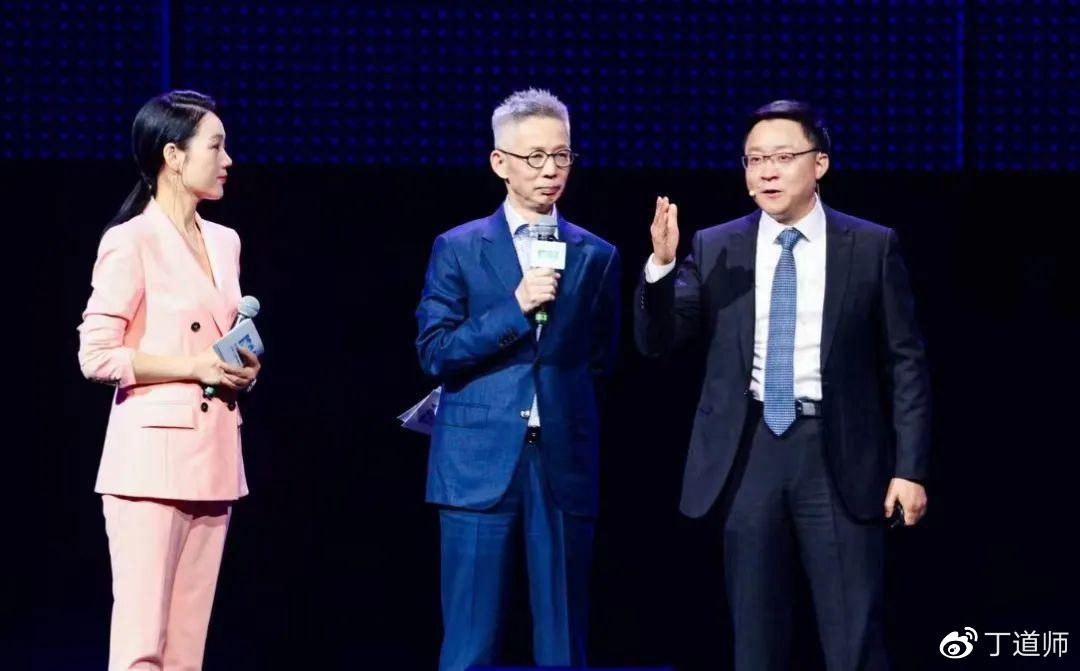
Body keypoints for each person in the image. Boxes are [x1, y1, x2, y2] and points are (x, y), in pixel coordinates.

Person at [635, 100, 931, 670]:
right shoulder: (716, 245)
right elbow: (660, 340)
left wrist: (910, 468)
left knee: (852, 640)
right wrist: (662, 268)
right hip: (749, 452)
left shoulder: (871, 245)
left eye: (783, 157)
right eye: (755, 160)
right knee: (755, 641)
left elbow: (906, 363)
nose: (767, 172)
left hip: (838, 453)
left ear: (819, 163)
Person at [415, 88, 620, 671]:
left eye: (561, 155)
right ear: (499, 162)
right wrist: (516, 307)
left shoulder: (596, 254)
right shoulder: (458, 247)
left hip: (561, 462)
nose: (550, 170)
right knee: (469, 642)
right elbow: (435, 351)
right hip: (476, 463)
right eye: (534, 157)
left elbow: (601, 358)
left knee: (563, 640)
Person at [77, 90, 261, 671]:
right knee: (141, 646)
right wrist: (193, 365)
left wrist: (241, 368)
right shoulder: (130, 240)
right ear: (174, 156)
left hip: (214, 455)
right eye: (216, 146)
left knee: (186, 648)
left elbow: (218, 337)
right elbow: (96, 355)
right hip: (149, 466)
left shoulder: (225, 241)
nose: (228, 160)